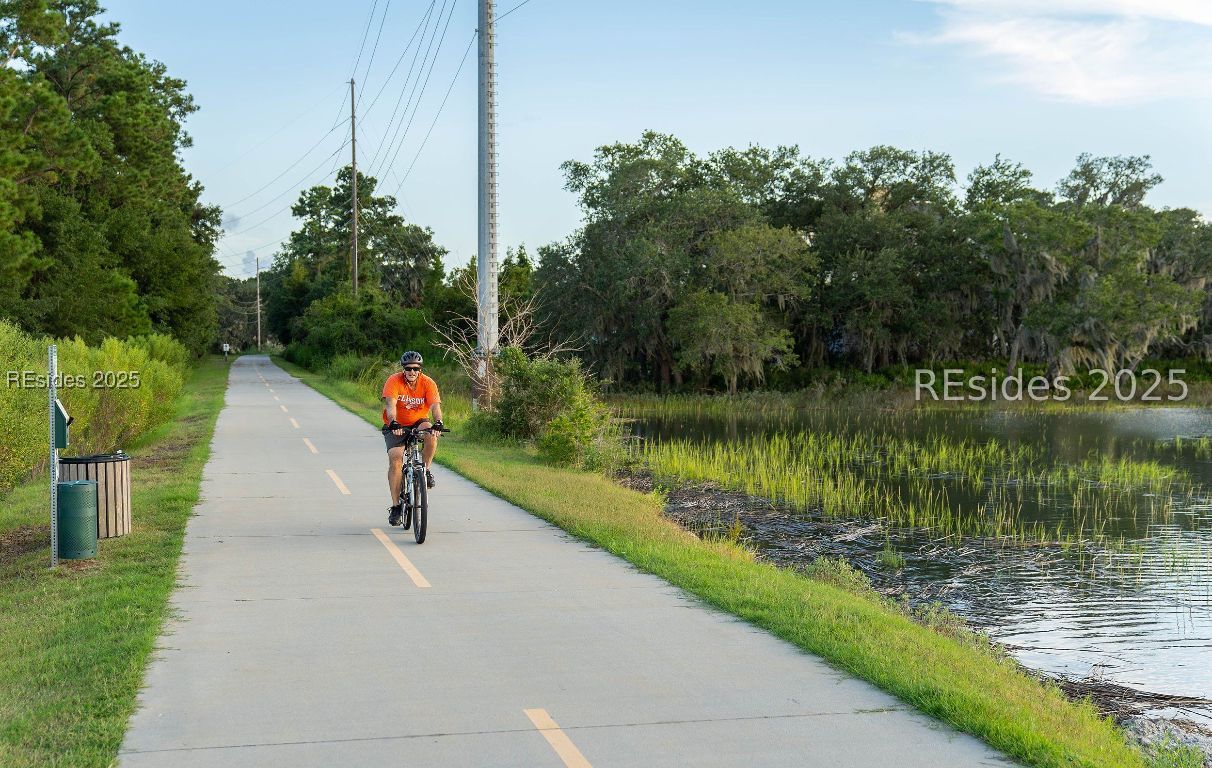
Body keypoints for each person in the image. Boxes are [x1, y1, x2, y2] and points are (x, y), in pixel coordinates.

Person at [382, 351, 444, 527]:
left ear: (420, 370)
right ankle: (396, 507)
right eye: (408, 368)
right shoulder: (394, 381)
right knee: (395, 459)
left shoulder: (428, 383)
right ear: (403, 369)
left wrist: (438, 422)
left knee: (431, 434)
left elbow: (435, 406)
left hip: (418, 421)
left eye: (415, 369)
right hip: (396, 425)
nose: (411, 372)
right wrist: (393, 422)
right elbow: (390, 406)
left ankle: (425, 470)